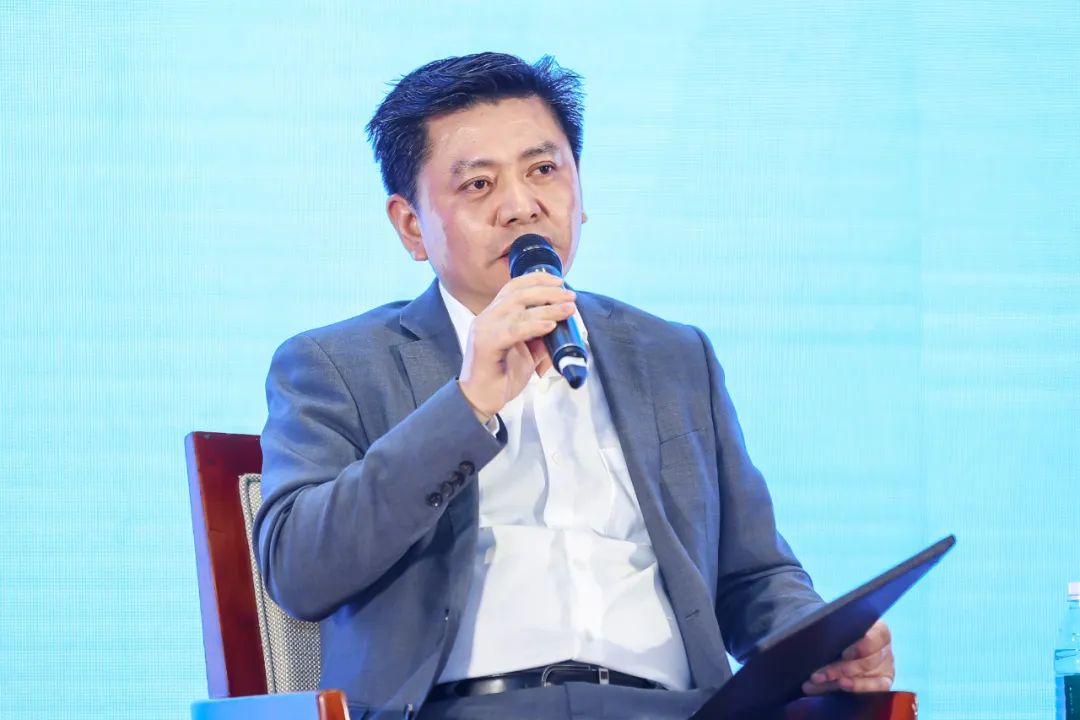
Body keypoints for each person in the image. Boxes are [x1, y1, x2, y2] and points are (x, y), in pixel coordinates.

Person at [253, 52, 895, 720]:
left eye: (543, 171)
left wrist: (822, 642)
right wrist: (467, 404)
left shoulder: (674, 356)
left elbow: (753, 576)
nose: (521, 206)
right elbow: (300, 572)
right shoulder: (335, 364)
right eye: (478, 185)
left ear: (580, 191)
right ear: (411, 225)